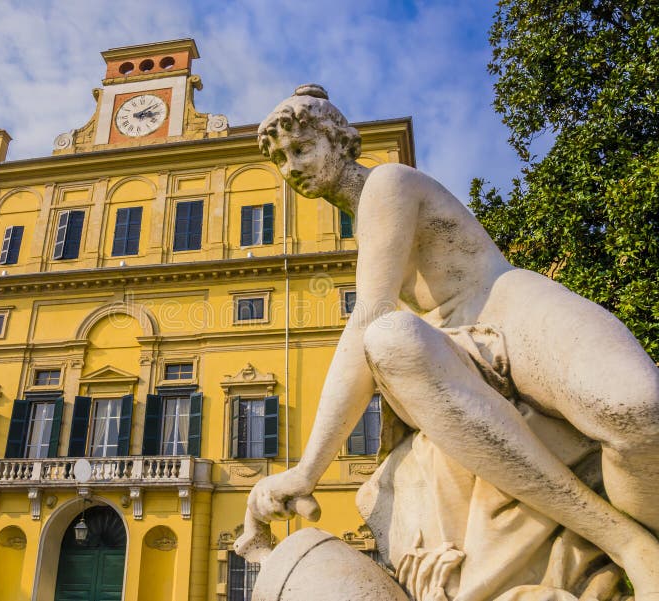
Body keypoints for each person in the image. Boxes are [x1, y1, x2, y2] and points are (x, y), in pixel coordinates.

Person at [246, 84, 659, 599]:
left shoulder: (388, 183)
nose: (291, 169)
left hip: (506, 306)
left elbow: (367, 315)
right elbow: (378, 328)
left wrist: (308, 470)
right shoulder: (362, 229)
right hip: (456, 338)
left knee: (633, 409)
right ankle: (629, 544)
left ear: (339, 141)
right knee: (391, 339)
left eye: (302, 149)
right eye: (282, 160)